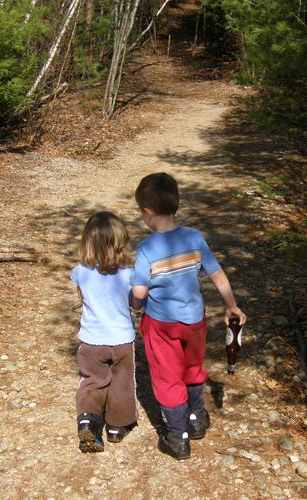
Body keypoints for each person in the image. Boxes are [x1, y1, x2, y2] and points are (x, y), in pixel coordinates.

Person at [131, 172, 247, 460]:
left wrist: (133, 304)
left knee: (167, 376)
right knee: (192, 366)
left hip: (161, 324)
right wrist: (231, 305)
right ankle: (197, 419)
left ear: (147, 213)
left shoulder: (146, 249)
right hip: (195, 320)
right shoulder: (194, 238)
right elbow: (217, 274)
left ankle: (177, 435)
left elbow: (140, 293)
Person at [71, 211, 141, 453]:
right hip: (121, 339)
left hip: (91, 340)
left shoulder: (80, 271)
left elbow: (82, 298)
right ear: (120, 243)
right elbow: (135, 304)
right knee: (122, 382)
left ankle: (88, 420)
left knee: (92, 381)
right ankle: (117, 427)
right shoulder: (129, 274)